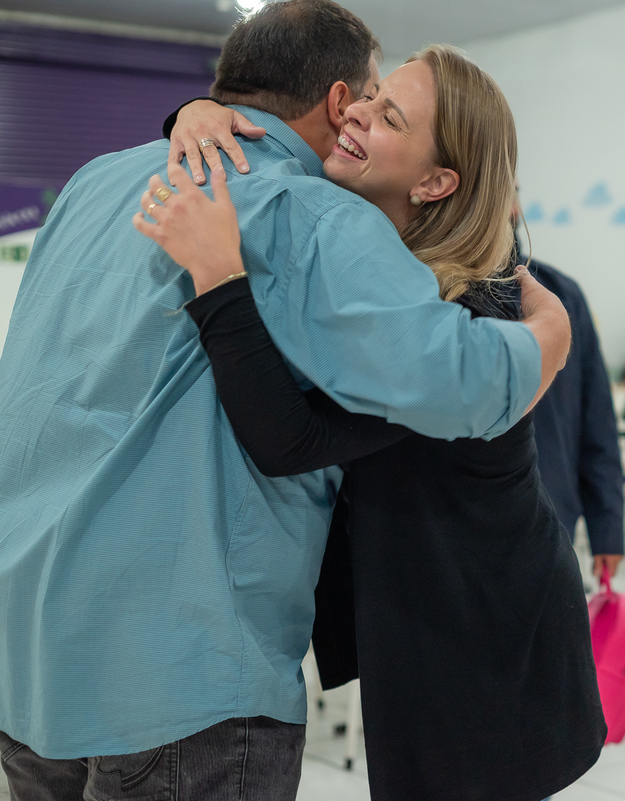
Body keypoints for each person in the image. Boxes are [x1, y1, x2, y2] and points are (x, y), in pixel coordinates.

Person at [0, 3, 571, 799]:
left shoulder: (94, 182)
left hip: (27, 652)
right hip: (179, 674)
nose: (368, 114)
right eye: (370, 96)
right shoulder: (309, 213)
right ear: (340, 102)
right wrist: (554, 331)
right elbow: (471, 381)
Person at [146, 45, 604, 801]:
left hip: (484, 629)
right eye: (372, 96)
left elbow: (289, 439)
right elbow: (276, 151)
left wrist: (217, 276)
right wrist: (197, 114)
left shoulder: (459, 310)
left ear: (436, 182)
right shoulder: (378, 262)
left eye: (388, 115)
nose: (354, 110)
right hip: (425, 607)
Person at [517, 224, 625, 579]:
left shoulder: (561, 294)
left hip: (552, 510)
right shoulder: (432, 286)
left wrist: (607, 529)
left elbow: (597, 422)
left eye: (514, 188)